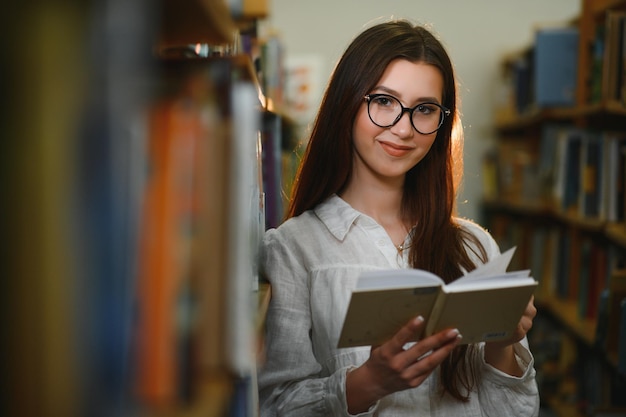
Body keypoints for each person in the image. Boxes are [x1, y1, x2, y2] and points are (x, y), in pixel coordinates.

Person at [258, 19, 539, 416]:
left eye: (424, 109)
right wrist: (369, 382)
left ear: (442, 123)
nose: (404, 129)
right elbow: (273, 406)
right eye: (384, 101)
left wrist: (502, 341)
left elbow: (515, 410)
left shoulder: (475, 247)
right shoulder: (294, 248)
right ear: (348, 103)